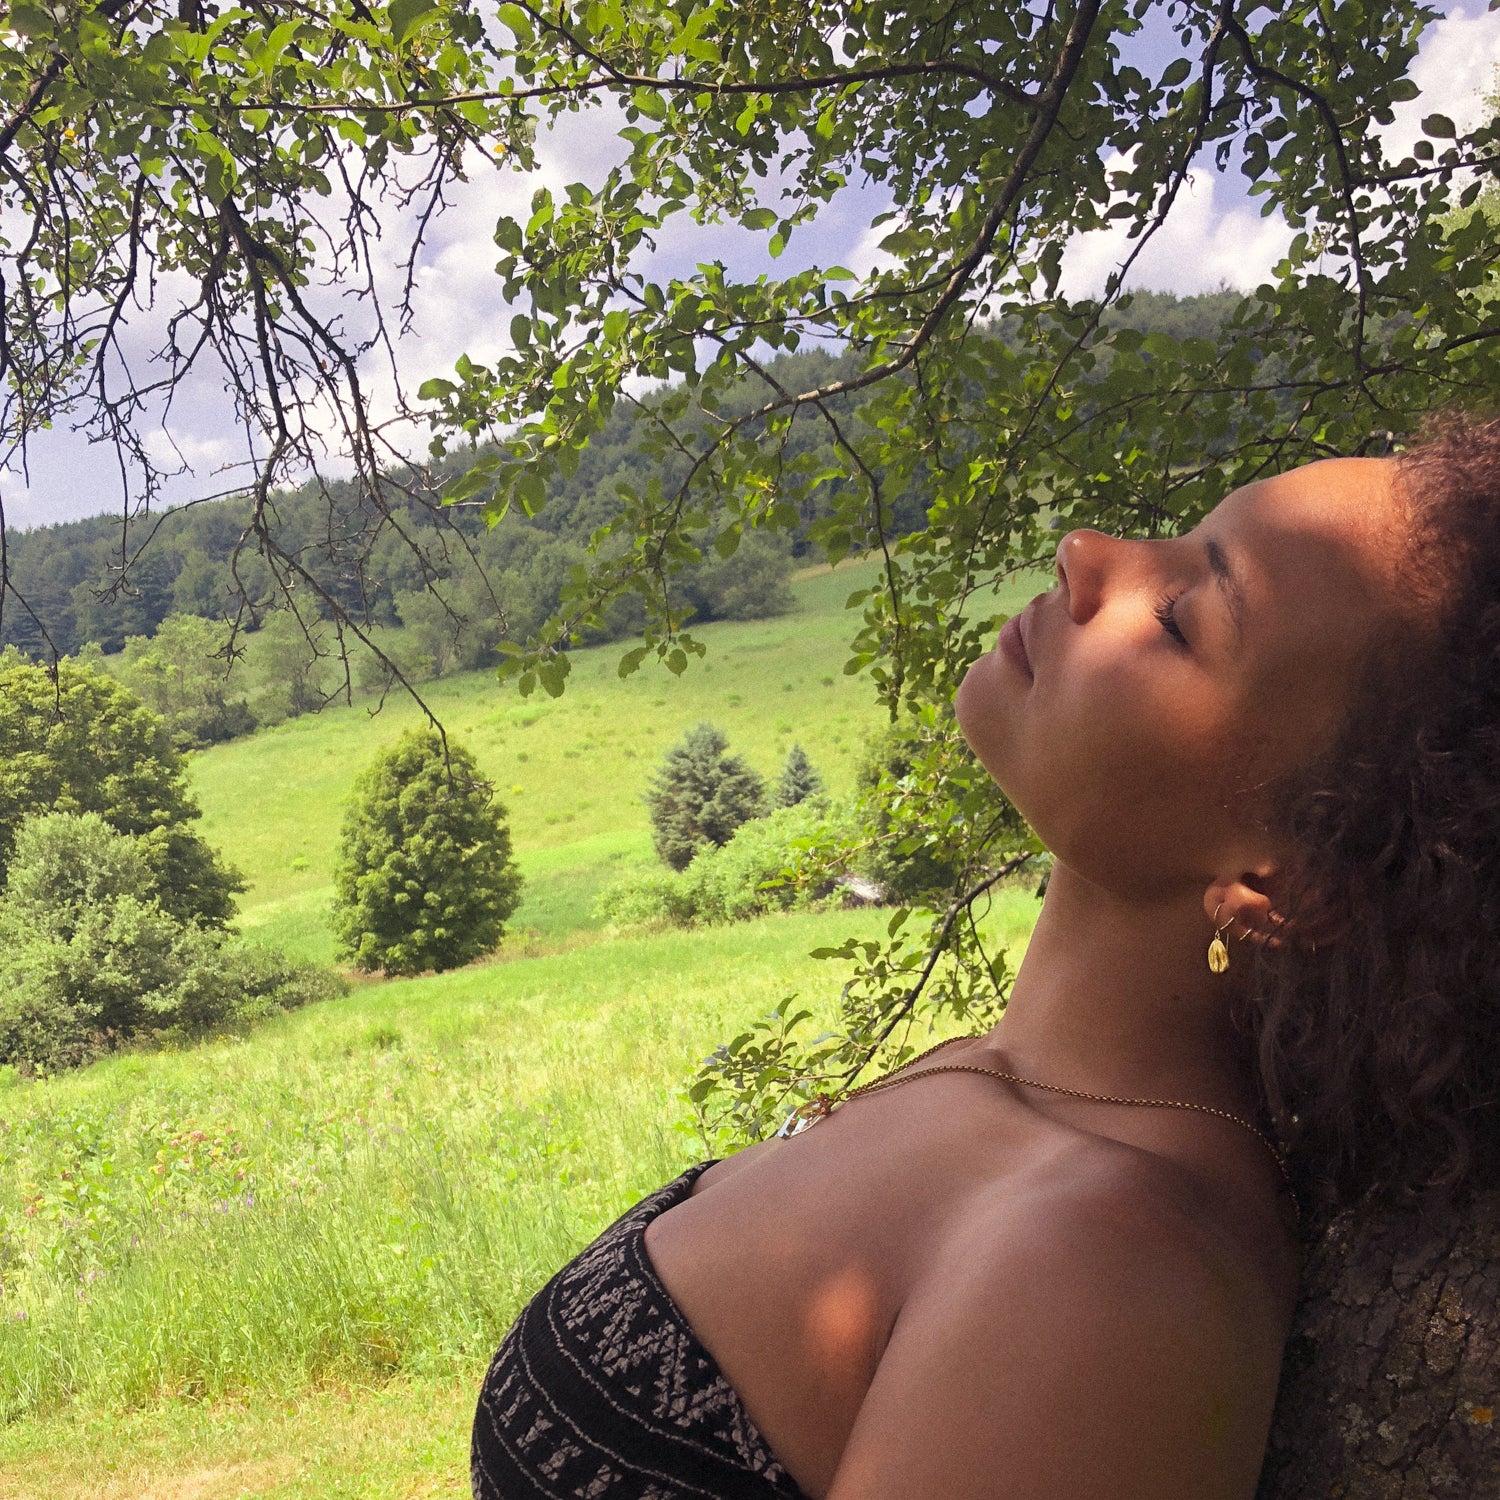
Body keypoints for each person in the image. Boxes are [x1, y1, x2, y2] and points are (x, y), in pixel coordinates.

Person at [472, 414, 1500, 1499]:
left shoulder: (1113, 1277)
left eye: (1186, 617)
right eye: (1177, 536)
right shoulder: (1005, 1085)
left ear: (1289, 881)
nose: (1087, 551)